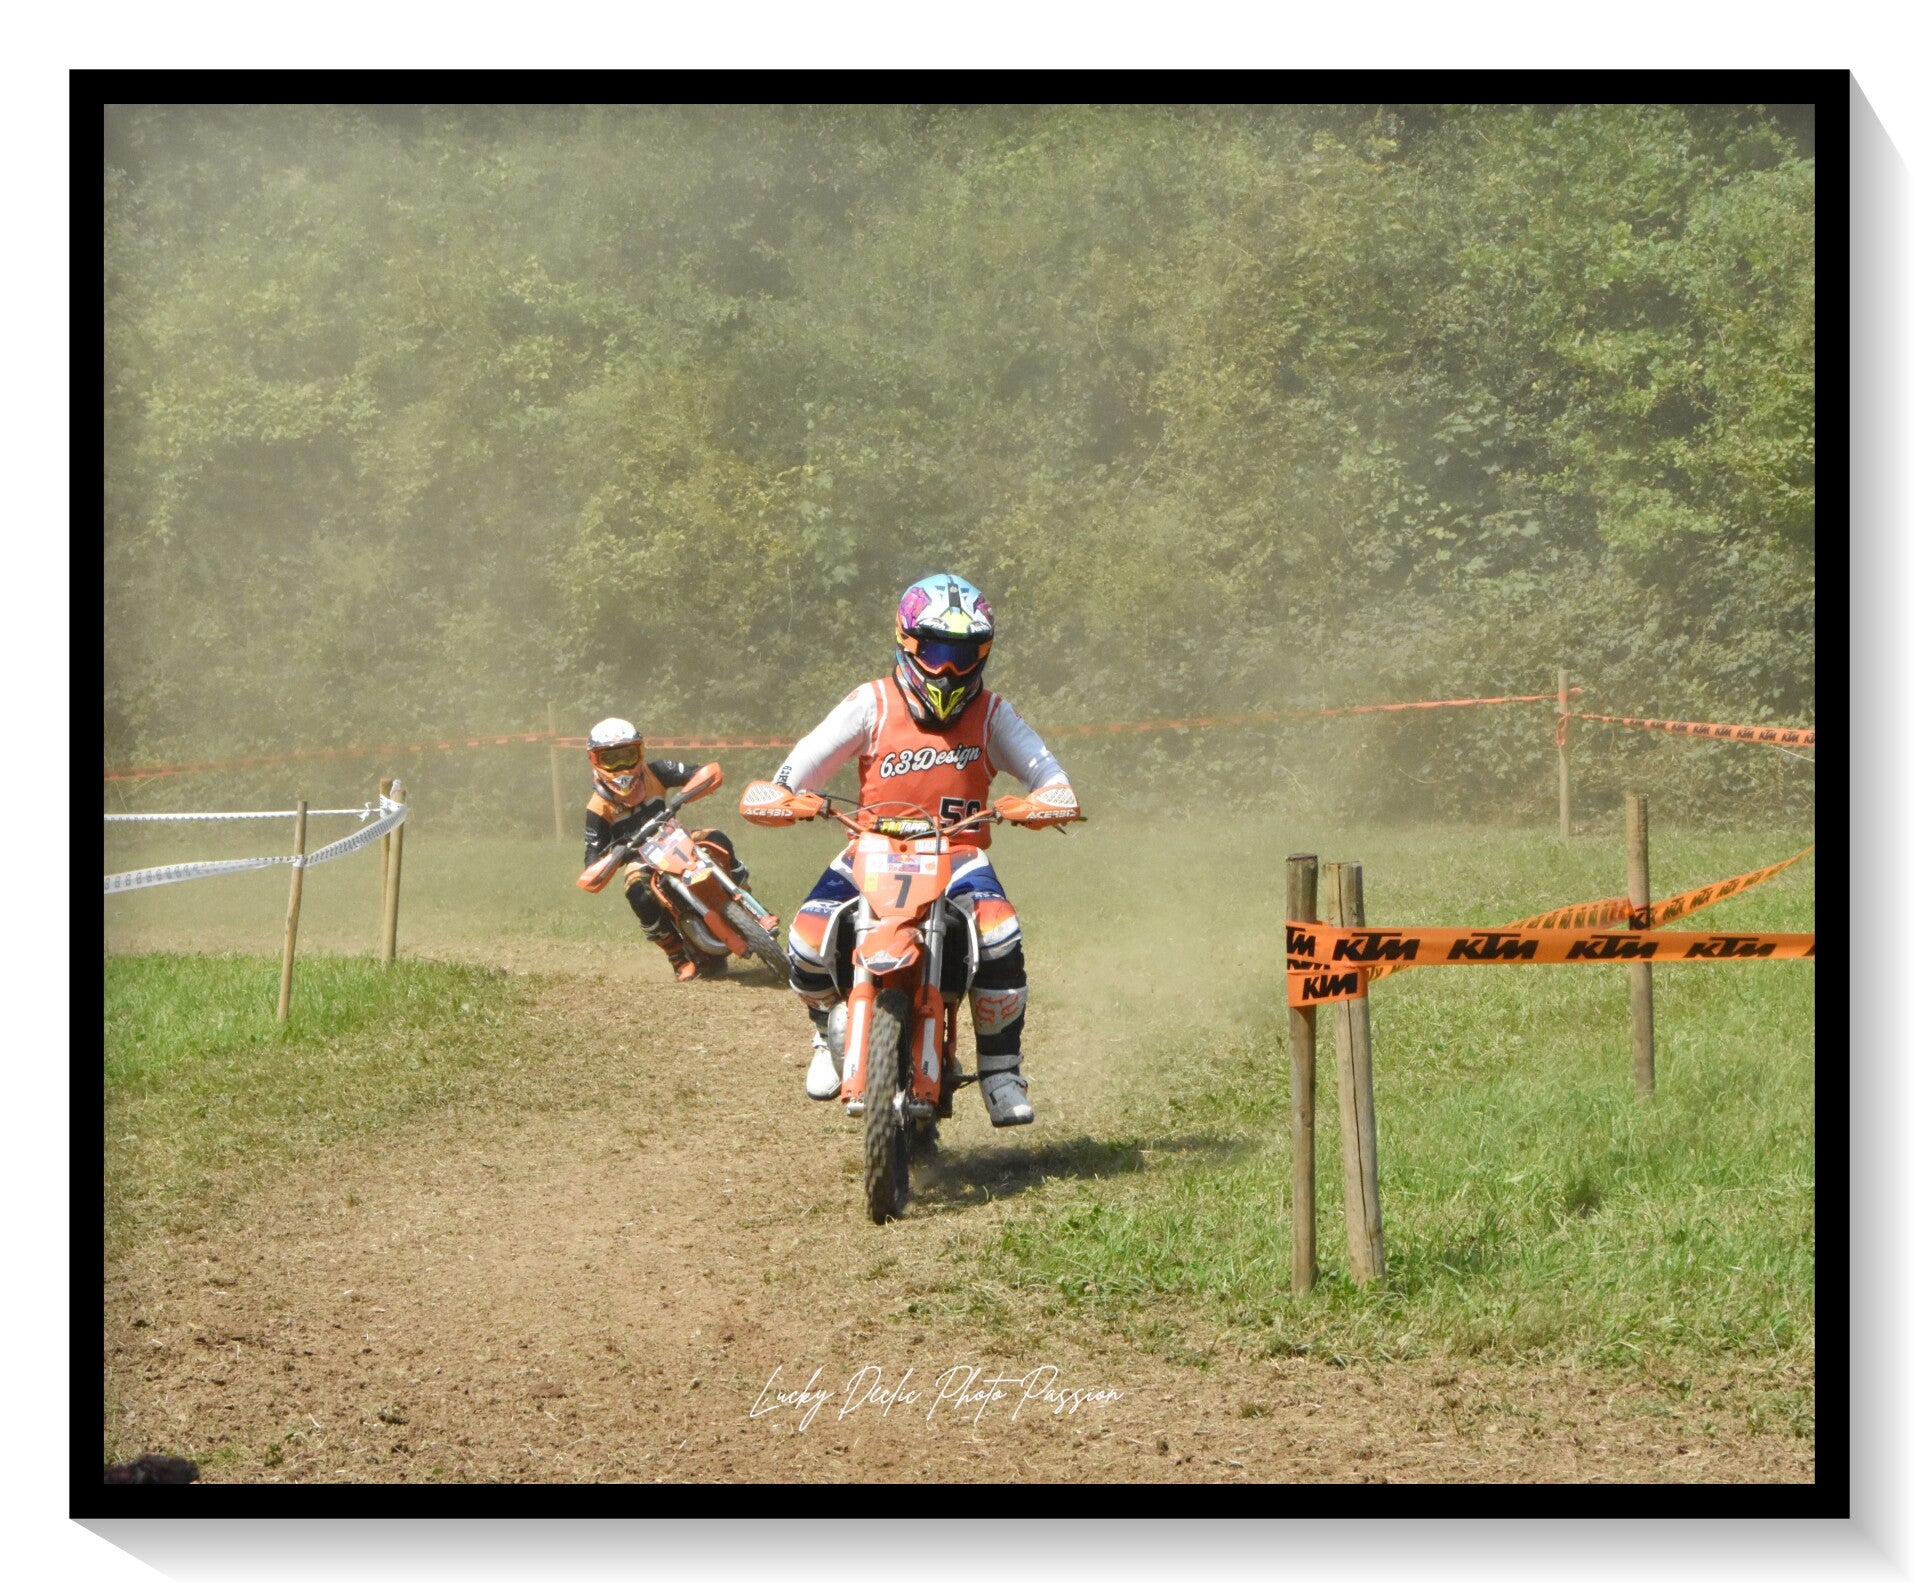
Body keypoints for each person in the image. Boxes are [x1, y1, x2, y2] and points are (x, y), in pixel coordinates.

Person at [741, 575, 1080, 1126]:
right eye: (937, 652)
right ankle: (827, 1032)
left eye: (964, 655)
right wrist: (784, 795)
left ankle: (1001, 1072)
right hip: (870, 847)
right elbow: (799, 766)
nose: (948, 670)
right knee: (805, 938)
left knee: (999, 933)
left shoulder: (993, 714)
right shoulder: (870, 703)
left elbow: (1052, 778)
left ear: (983, 655)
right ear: (907, 642)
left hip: (959, 851)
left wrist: (1044, 801)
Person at [583, 717, 749, 982]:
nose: (621, 766)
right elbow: (592, 861)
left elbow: (698, 773)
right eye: (611, 759)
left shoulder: (657, 771)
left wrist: (688, 792)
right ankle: (677, 956)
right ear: (595, 760)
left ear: (640, 752)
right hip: (641, 858)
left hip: (676, 839)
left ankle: (743, 893)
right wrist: (616, 855)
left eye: (627, 755)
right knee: (636, 892)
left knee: (715, 838)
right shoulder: (597, 807)